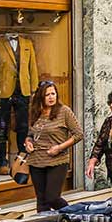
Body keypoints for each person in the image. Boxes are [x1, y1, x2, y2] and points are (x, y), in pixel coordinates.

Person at [24, 79, 83, 212]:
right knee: (41, 201)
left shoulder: (64, 111)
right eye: (47, 95)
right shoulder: (35, 112)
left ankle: (74, 215)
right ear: (41, 97)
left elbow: (79, 134)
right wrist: (28, 142)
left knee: (52, 197)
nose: (51, 97)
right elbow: (30, 133)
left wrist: (60, 147)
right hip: (36, 160)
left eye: (53, 94)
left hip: (57, 160)